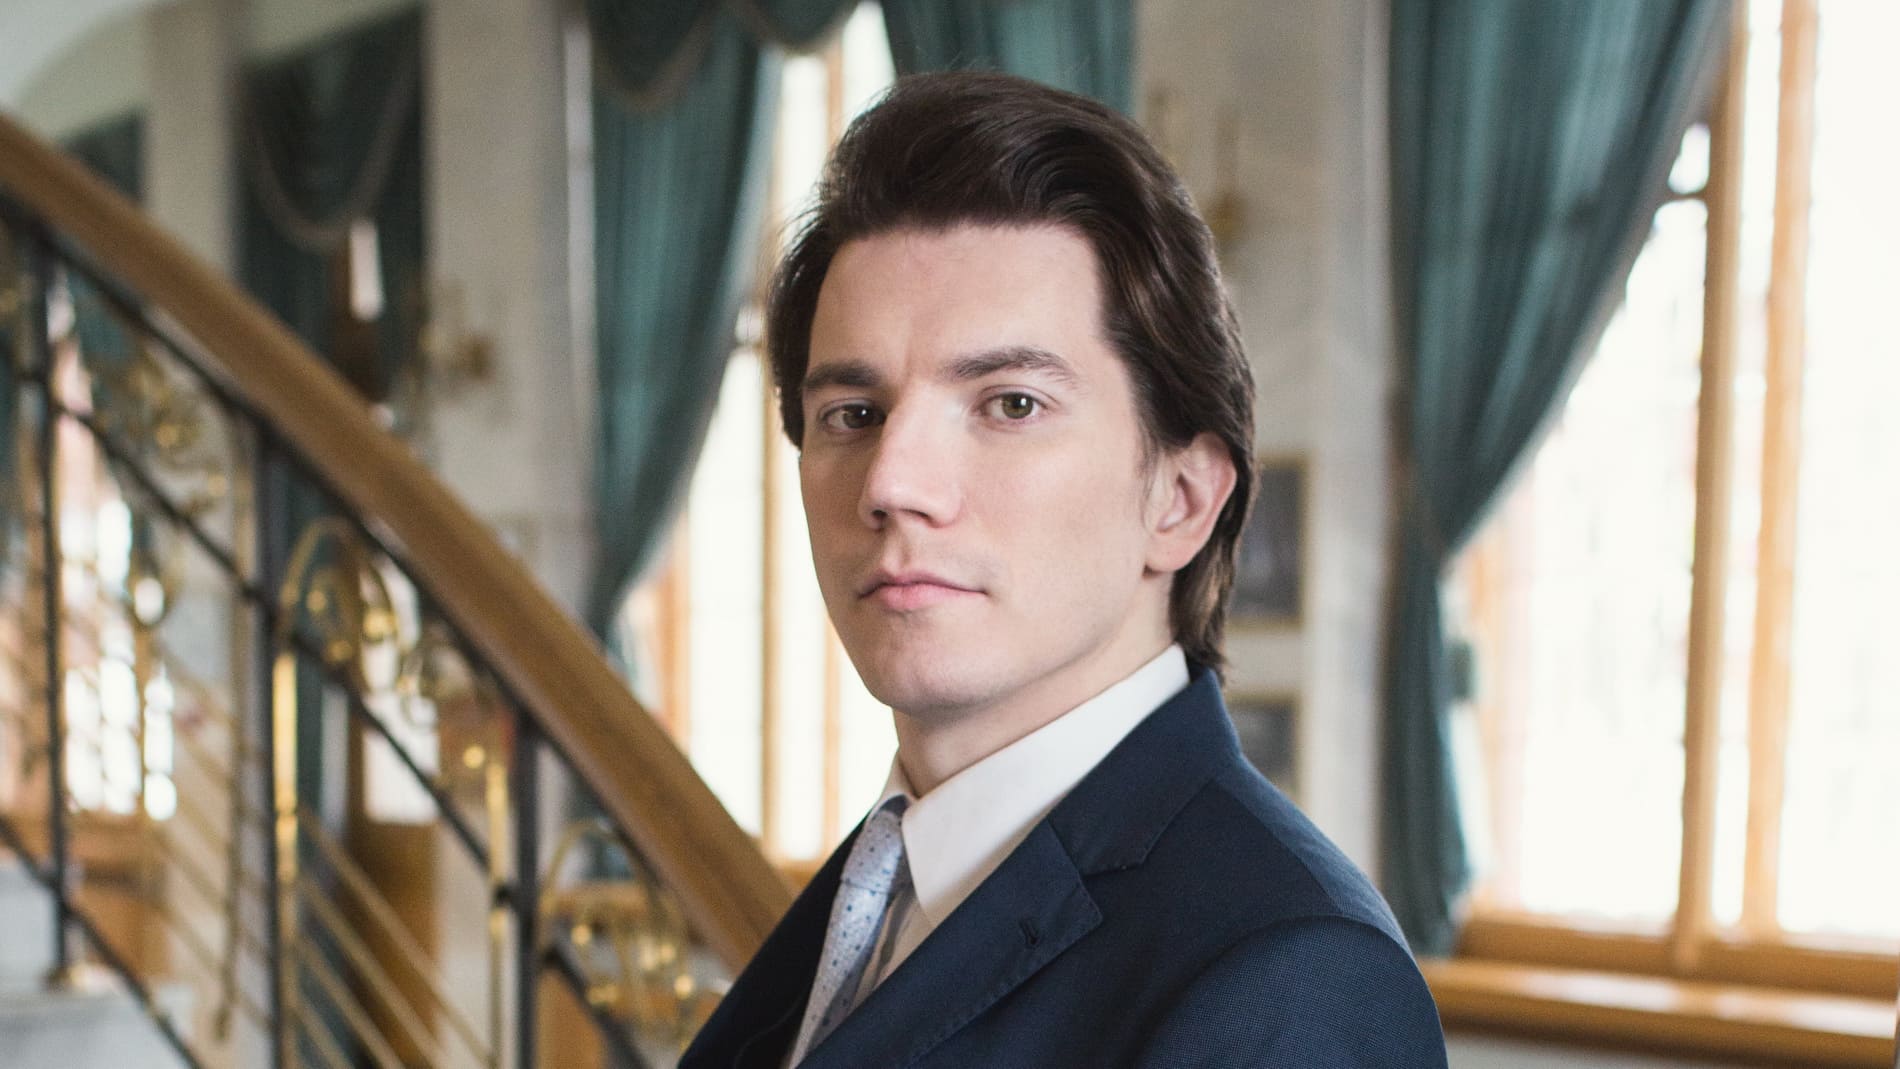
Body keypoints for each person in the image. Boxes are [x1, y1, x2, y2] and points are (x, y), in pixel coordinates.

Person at [681, 71, 1446, 1069]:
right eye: (852, 415)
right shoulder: (880, 882)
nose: (891, 484)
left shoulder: (1295, 979)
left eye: (1010, 404)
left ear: (1181, 500)